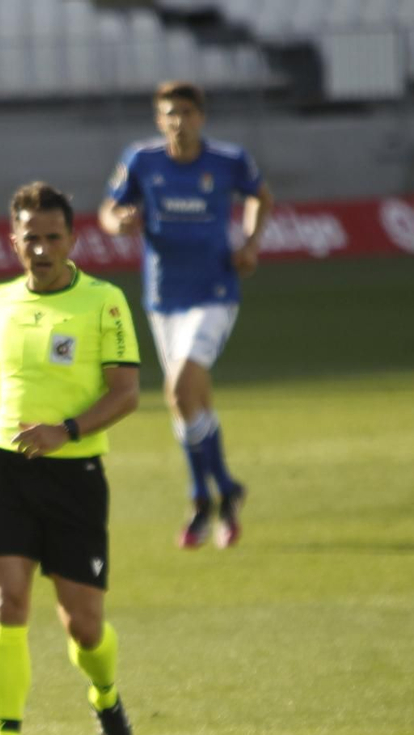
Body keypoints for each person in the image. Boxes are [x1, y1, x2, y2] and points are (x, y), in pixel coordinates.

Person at [0, 182, 141, 735]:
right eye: (32, 237)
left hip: (75, 477)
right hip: (6, 471)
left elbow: (127, 392)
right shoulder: (0, 302)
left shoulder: (103, 302)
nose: (43, 248)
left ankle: (104, 693)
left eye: (54, 237)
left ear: (73, 240)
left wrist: (68, 429)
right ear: (15, 241)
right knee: (8, 603)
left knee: (83, 624)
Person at [99, 81, 274, 550]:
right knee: (188, 400)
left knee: (178, 387)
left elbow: (260, 195)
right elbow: (109, 211)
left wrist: (251, 244)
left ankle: (200, 495)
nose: (179, 121)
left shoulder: (228, 160)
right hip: (163, 297)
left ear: (202, 117)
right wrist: (121, 223)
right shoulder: (142, 159)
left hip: (214, 292)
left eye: (187, 112)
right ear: (160, 120)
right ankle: (226, 491)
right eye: (170, 113)